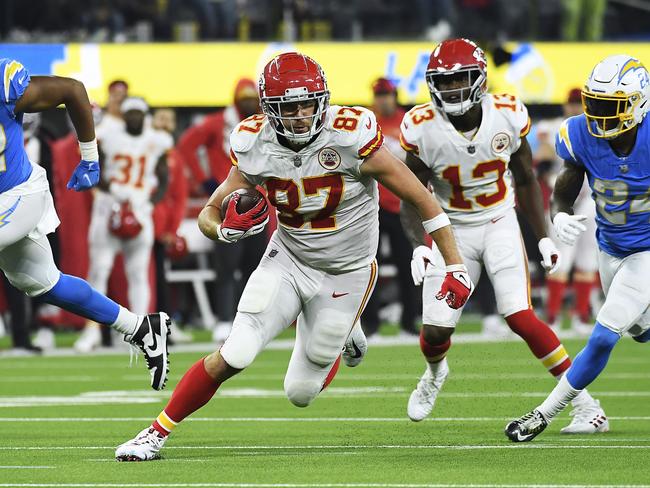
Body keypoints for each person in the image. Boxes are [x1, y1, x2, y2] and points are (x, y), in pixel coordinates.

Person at [115, 51, 473, 461]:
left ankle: (342, 338)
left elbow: (420, 198)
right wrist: (224, 231)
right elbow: (208, 213)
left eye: (308, 103)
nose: (302, 114)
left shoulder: (351, 134)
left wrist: (455, 264)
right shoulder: (255, 142)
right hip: (288, 258)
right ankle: (155, 433)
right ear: (270, 109)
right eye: (290, 106)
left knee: (299, 393)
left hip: (348, 271)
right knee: (237, 351)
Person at [399, 38, 606, 432]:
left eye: (461, 80)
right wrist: (419, 246)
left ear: (479, 80)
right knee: (434, 332)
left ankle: (585, 404)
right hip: (450, 229)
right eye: (444, 82)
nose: (452, 90)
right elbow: (412, 195)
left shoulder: (507, 114)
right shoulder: (421, 127)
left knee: (520, 316)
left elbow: (526, 178)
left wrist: (542, 235)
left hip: (498, 221)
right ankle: (435, 373)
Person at [0, 58, 170, 389]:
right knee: (45, 283)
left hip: (19, 193)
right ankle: (139, 327)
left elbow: (72, 90)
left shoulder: (5, 84)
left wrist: (89, 156)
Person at [505, 54, 650, 442]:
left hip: (646, 251)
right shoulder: (580, 133)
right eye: (597, 104)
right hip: (610, 247)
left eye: (612, 107)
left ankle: (543, 414)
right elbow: (568, 182)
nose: (600, 115)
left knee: (605, 335)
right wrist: (560, 213)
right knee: (641, 330)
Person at [74, 97, 171, 353]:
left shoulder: (157, 140)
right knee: (99, 270)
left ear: (145, 115)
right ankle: (92, 331)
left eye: (139, 113)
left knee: (138, 273)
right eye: (131, 114)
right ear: (124, 116)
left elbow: (163, 177)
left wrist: (150, 202)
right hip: (108, 207)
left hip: (139, 210)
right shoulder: (108, 134)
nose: (135, 118)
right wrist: (113, 192)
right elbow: (95, 166)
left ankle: (140, 331)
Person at [177, 78, 266, 341]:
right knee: (227, 266)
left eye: (253, 97)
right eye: (245, 97)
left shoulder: (266, 124)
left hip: (259, 203)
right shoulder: (218, 123)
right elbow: (186, 145)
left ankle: (249, 319)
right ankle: (225, 318)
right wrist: (206, 181)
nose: (249, 102)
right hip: (228, 204)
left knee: (255, 266)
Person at [535, 88, 598, 335]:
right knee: (561, 258)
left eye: (577, 104)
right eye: (570, 104)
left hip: (590, 199)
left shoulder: (595, 129)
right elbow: (541, 158)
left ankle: (581, 315)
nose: (573, 108)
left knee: (587, 259)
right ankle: (552, 316)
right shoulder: (553, 128)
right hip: (563, 200)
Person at [362, 77, 419, 337]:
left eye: (387, 94)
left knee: (409, 263)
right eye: (379, 94)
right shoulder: (367, 123)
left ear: (394, 96)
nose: (383, 99)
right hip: (371, 205)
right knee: (365, 264)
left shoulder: (408, 122)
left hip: (401, 204)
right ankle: (369, 322)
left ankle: (409, 320)